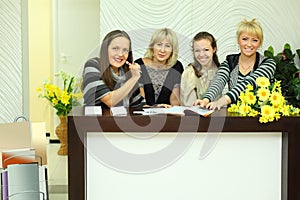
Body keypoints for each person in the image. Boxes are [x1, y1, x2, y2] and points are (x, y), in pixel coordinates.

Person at [193, 18, 276, 110]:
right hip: (234, 116)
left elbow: (249, 84)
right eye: (245, 39)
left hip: (261, 118)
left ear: (260, 43)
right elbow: (218, 81)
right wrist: (206, 99)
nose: (249, 44)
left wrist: (223, 100)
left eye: (254, 40)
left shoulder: (268, 64)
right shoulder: (230, 62)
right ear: (238, 40)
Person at [82, 30, 143, 108]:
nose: (120, 54)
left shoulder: (128, 72)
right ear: (105, 49)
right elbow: (110, 101)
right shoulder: (93, 65)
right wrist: (134, 78)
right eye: (115, 48)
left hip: (122, 119)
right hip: (96, 119)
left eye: (125, 50)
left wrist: (157, 107)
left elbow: (137, 105)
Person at [135, 28, 184, 107]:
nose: (162, 50)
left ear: (172, 50)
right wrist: (156, 107)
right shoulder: (139, 65)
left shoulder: (177, 67)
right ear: (152, 46)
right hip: (143, 115)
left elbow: (175, 101)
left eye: (167, 46)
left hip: (167, 115)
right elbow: (140, 101)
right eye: (159, 45)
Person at [180, 31, 221, 106]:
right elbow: (190, 106)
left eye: (206, 50)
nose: (201, 54)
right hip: (196, 116)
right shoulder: (190, 73)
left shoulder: (221, 70)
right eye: (197, 50)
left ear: (214, 49)